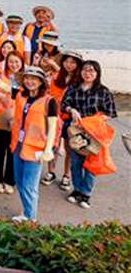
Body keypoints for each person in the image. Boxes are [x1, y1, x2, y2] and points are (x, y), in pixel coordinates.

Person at [61, 60, 118, 209]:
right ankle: (77, 190)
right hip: (77, 132)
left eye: (92, 70)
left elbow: (110, 112)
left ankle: (86, 194)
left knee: (92, 165)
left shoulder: (103, 91)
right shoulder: (73, 88)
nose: (88, 73)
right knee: (76, 163)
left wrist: (94, 120)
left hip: (95, 134)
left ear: (97, 73)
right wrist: (72, 110)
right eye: (85, 70)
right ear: (80, 72)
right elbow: (63, 105)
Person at [9, 66, 58, 222]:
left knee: (29, 185)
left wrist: (48, 149)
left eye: (34, 79)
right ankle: (27, 211)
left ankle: (31, 218)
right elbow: (3, 86)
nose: (29, 81)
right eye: (27, 78)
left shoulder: (49, 101)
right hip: (18, 144)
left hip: (36, 148)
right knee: (19, 181)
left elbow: (53, 127)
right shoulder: (20, 95)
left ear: (41, 82)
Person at [0, 51, 24, 195]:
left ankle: (9, 180)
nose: (14, 64)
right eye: (11, 61)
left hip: (18, 121)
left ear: (22, 63)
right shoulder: (0, 74)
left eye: (17, 61)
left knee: (13, 151)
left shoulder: (25, 79)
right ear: (6, 62)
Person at [48, 49, 83, 192]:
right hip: (55, 116)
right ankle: (51, 172)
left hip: (70, 118)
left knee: (69, 148)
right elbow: (50, 95)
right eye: (66, 61)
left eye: (72, 62)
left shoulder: (80, 81)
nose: (69, 65)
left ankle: (66, 175)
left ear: (78, 65)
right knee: (53, 145)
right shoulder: (56, 76)